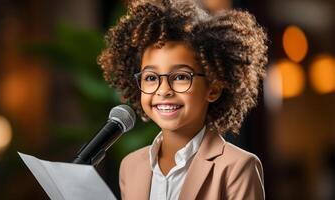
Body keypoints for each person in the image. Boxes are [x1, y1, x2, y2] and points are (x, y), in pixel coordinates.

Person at [98, 0, 268, 199]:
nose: (164, 90)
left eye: (180, 77)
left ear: (213, 88)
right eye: (151, 78)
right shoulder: (131, 166)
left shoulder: (237, 167)